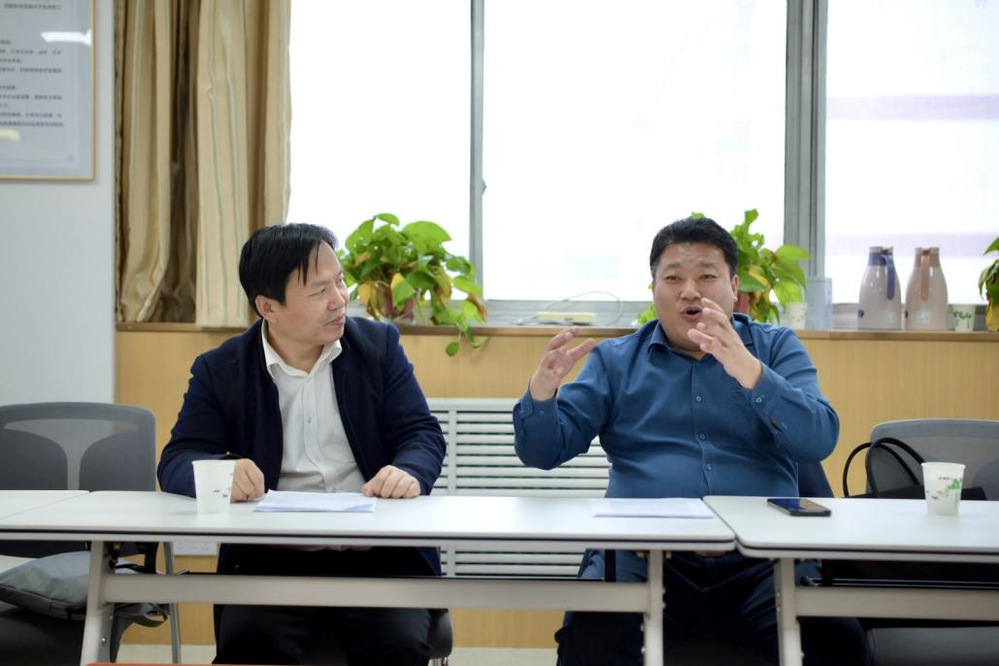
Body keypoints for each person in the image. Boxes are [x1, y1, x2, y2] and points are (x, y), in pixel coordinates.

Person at [513, 217, 868, 665]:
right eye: (673, 278)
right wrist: (542, 393)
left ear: (734, 287)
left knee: (835, 642)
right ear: (654, 290)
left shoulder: (775, 348)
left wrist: (749, 371)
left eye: (706, 276)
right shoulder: (615, 360)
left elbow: (819, 439)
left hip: (765, 561)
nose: (690, 291)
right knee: (592, 638)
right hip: (640, 557)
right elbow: (541, 452)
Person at [158, 223, 445, 665]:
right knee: (250, 643)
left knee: (398, 644)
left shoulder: (379, 347)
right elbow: (178, 458)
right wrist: (221, 473)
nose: (339, 299)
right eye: (319, 290)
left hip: (378, 555)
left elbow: (422, 434)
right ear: (268, 306)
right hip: (271, 558)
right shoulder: (222, 369)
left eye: (340, 281)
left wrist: (408, 470)